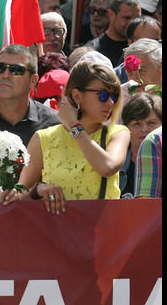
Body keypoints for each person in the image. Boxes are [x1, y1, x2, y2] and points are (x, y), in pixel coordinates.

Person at [19, 62, 131, 213]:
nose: (110, 102)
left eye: (114, 96)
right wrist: (38, 189)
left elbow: (107, 167)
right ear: (77, 96)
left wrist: (73, 126)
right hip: (55, 233)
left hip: (101, 233)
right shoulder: (43, 138)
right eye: (103, 95)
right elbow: (20, 195)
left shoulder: (118, 132)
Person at [0, 45, 60, 146]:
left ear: (33, 80)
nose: (6, 75)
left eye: (16, 70)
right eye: (0, 67)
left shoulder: (53, 125)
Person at [119, 93, 162, 196]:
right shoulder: (116, 163)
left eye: (151, 123)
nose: (144, 129)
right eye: (136, 124)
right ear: (126, 128)